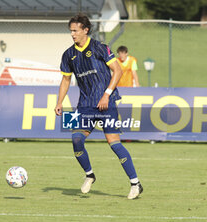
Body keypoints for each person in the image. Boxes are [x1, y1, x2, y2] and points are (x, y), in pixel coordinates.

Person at [54, 14, 143, 199]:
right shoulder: (68, 54)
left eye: (75, 30)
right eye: (70, 31)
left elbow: (117, 70)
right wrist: (59, 102)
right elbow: (65, 79)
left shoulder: (100, 48)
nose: (72, 34)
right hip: (84, 105)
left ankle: (135, 184)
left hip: (106, 103)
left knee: (114, 144)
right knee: (76, 140)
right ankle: (90, 175)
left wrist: (106, 95)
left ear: (85, 30)